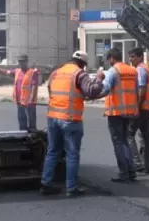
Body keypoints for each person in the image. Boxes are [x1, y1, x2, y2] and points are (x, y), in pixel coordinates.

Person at [40, 51, 105, 197]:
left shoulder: (56, 73)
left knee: (52, 151)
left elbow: (51, 90)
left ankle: (46, 184)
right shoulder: (79, 74)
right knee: (72, 154)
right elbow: (92, 91)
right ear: (82, 63)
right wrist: (99, 79)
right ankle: (71, 188)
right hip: (69, 118)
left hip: (52, 117)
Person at [100, 48, 139, 182]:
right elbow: (136, 91)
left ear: (111, 58)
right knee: (125, 141)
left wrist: (90, 94)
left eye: (108, 59)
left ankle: (124, 172)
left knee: (118, 142)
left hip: (116, 111)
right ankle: (131, 171)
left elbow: (104, 89)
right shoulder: (132, 70)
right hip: (129, 110)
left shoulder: (113, 71)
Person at [0, 55, 39, 131]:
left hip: (29, 103)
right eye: (20, 62)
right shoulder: (17, 71)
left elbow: (34, 87)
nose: (21, 63)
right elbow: (6, 72)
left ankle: (33, 136)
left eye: (23, 61)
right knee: (22, 123)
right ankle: (23, 136)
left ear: (26, 62)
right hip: (20, 101)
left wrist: (32, 101)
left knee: (32, 123)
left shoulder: (33, 73)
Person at [127, 47, 149, 175]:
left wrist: (136, 107)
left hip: (142, 108)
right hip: (148, 108)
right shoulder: (147, 69)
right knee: (145, 136)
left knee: (129, 134)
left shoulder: (140, 70)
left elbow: (141, 90)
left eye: (133, 56)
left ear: (139, 57)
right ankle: (146, 166)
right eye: (130, 56)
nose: (130, 59)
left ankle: (137, 163)